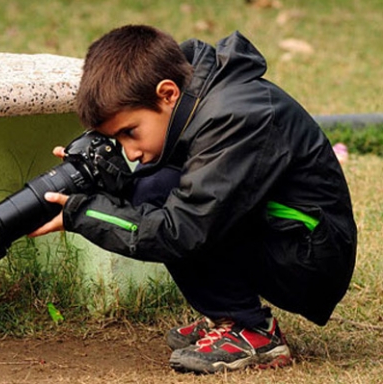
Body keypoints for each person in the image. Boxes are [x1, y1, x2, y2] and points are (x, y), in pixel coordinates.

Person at [30, 25, 357, 373]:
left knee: (164, 203)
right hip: (285, 234)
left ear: (167, 93)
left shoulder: (235, 115)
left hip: (310, 256)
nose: (131, 151)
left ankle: (252, 331)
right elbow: (182, 184)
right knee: (151, 188)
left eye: (129, 132)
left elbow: (182, 228)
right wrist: (109, 182)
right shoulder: (201, 98)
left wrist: (84, 214)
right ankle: (228, 316)